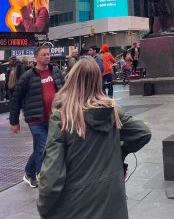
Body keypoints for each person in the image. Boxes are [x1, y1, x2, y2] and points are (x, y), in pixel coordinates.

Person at [37, 56, 152, 219]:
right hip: (113, 207)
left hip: (76, 208)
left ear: (72, 79)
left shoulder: (63, 118)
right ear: (98, 81)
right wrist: (122, 152)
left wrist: (43, 207)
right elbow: (143, 133)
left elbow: (51, 177)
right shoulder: (112, 112)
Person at [9, 45, 64, 188]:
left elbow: (65, 91)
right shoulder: (27, 77)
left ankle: (28, 173)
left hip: (54, 118)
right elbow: (16, 100)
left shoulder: (56, 72)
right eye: (44, 54)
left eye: (48, 54)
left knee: (43, 147)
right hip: (36, 120)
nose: (47, 56)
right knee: (43, 148)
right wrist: (14, 122)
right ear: (36, 58)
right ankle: (43, 180)